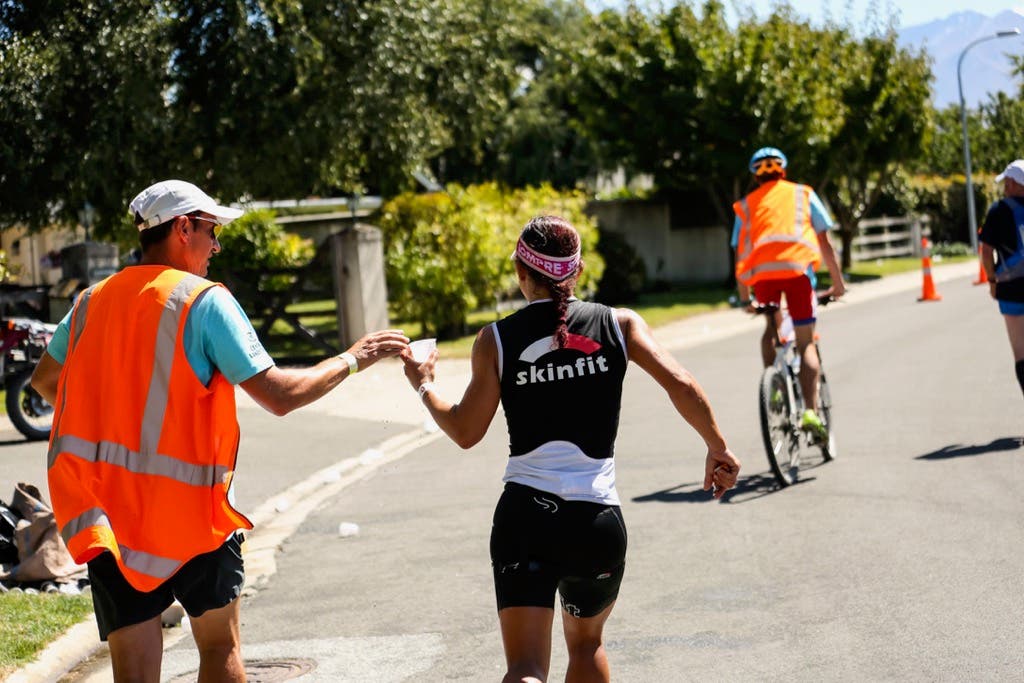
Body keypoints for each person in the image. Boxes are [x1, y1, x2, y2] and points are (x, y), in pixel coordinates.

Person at [30, 180, 409, 682]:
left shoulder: (88, 303)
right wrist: (352, 359)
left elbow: (45, 382)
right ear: (183, 228)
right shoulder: (202, 301)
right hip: (190, 516)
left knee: (134, 672)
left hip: (112, 520)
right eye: (211, 230)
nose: (217, 244)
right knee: (219, 649)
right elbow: (279, 394)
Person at [400, 215, 740, 683]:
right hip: (595, 523)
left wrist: (423, 385)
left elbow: (465, 430)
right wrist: (717, 446)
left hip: (525, 518)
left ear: (522, 274)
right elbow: (680, 382)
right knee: (586, 646)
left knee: (525, 667)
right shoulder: (619, 324)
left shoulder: (496, 339)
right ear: (576, 271)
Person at [731, 147, 846, 440]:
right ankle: (809, 411)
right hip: (797, 274)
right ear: (783, 170)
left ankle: (775, 387)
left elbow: (740, 251)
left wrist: (746, 297)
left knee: (771, 327)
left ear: (755, 177)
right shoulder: (803, 194)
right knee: (806, 342)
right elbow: (825, 243)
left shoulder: (746, 205)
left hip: (764, 277)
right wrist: (838, 283)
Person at [979, 159, 1024, 398]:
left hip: (1011, 288)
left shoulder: (998, 211)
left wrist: (992, 281)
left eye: (1008, 181)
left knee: (1021, 354)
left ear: (1015, 183)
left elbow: (986, 252)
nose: (1005, 187)